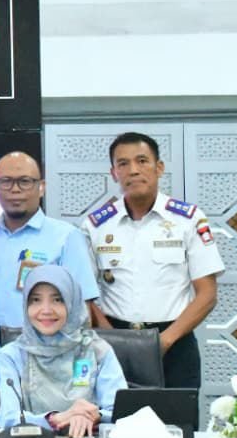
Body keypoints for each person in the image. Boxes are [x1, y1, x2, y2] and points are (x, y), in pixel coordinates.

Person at [80, 132, 224, 389]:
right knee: (115, 414)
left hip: (174, 343)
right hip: (114, 341)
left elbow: (207, 294)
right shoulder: (95, 225)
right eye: (123, 163)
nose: (133, 170)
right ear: (114, 173)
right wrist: (109, 337)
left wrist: (165, 341)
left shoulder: (188, 219)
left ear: (159, 168)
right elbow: (85, 294)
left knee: (178, 415)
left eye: (142, 161)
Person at [0, 152, 106, 331]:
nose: (15, 189)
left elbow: (82, 310)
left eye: (25, 181)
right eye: (6, 181)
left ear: (41, 187)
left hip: (43, 347)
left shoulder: (66, 237)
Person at [0, 265, 127, 438]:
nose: (46, 310)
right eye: (35, 300)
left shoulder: (97, 350)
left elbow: (122, 413)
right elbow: (8, 419)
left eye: (57, 300)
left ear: (72, 302)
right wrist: (57, 419)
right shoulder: (12, 355)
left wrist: (93, 416)